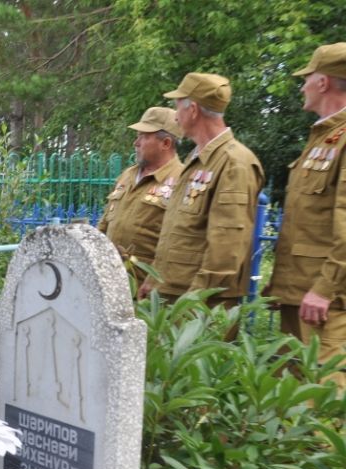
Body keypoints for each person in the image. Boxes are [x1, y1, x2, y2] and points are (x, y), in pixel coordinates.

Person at [138, 73, 264, 304]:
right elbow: (180, 229)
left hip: (203, 303)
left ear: (193, 110)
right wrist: (154, 278)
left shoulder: (234, 162)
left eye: (178, 108)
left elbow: (227, 247)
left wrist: (196, 299)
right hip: (174, 292)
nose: (175, 117)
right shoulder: (198, 159)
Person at [267, 43, 346, 390]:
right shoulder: (322, 138)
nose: (302, 86)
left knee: (323, 406)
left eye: (307, 78)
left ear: (324, 83)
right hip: (299, 294)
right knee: (292, 405)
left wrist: (325, 288)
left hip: (323, 301)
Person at [97, 107, 184, 287]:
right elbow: (105, 224)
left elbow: (181, 243)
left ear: (166, 143)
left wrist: (156, 280)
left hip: (148, 287)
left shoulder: (182, 181)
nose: (136, 143)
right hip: (111, 282)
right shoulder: (127, 176)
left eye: (143, 136)